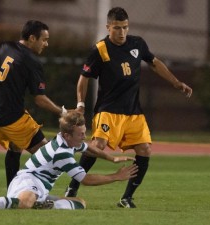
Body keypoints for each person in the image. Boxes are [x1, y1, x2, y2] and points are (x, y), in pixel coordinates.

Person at [65, 7, 193, 208]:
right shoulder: (100, 49)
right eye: (117, 28)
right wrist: (80, 104)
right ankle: (72, 187)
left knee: (145, 149)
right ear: (108, 27)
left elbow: (154, 62)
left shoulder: (137, 43)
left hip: (133, 112)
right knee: (97, 145)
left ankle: (127, 198)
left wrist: (176, 82)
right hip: (107, 110)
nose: (122, 32)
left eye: (125, 27)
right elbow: (84, 78)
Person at [0, 111, 138, 210]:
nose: (84, 137)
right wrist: (116, 176)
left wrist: (112, 158)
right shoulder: (61, 153)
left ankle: (44, 205)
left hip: (41, 188)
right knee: (25, 203)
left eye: (84, 132)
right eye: (80, 134)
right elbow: (86, 180)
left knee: (80, 203)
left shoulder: (69, 140)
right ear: (67, 135)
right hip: (27, 181)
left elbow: (88, 148)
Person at [0, 20, 65, 188]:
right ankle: (35, 193)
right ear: (32, 38)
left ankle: (11, 193)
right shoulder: (31, 61)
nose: (47, 44)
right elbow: (40, 99)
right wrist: (63, 112)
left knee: (15, 147)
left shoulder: (2, 46)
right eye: (44, 39)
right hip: (12, 119)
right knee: (49, 155)